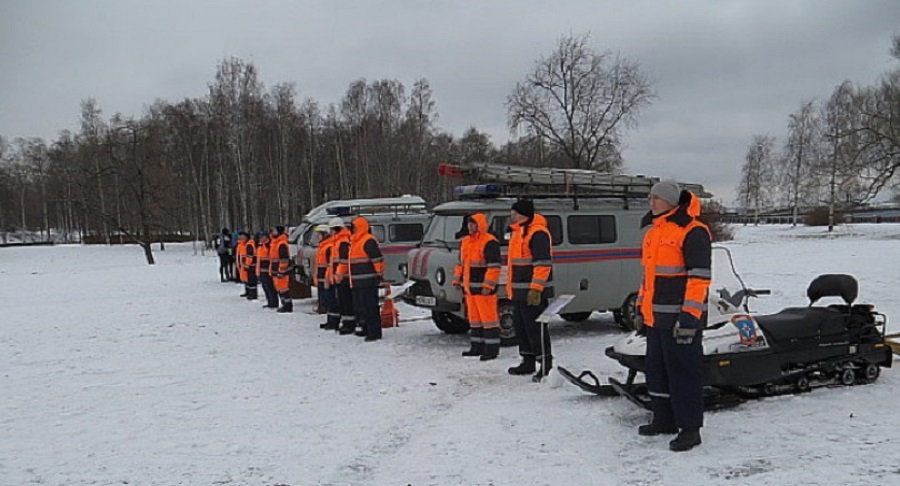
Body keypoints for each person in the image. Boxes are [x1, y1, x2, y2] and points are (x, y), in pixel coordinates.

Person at [636, 181, 711, 452]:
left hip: (681, 322)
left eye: (656, 198)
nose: (651, 202)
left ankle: (690, 429)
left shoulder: (693, 231)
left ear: (671, 201)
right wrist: (640, 309)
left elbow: (699, 280)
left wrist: (689, 317)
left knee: (684, 374)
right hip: (655, 320)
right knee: (656, 372)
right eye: (650, 197)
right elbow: (648, 278)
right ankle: (664, 419)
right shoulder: (653, 232)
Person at [506, 199, 554, 382]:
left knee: (536, 329)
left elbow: (542, 264)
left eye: (515, 212)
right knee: (521, 327)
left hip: (533, 292)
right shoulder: (518, 232)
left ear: (523, 214)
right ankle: (528, 360)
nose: (512, 215)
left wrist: (536, 289)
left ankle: (545, 363)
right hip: (519, 291)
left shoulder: (538, 233)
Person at [453, 213, 502, 361]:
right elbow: (461, 264)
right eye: (469, 224)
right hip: (470, 289)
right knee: (474, 320)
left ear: (480, 225)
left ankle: (491, 350)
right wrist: (457, 280)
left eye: (473, 224)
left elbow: (494, 267)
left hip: (483, 290)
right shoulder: (466, 242)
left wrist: (488, 285)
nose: (470, 226)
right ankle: (476, 347)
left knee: (489, 320)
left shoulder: (489, 242)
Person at [345, 216, 385, 342]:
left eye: (353, 227)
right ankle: (366, 328)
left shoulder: (368, 241)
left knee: (370, 307)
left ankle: (374, 332)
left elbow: (377, 259)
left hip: (367, 281)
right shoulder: (355, 242)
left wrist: (378, 274)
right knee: (361, 307)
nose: (351, 230)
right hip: (357, 281)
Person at [330, 218, 356, 335]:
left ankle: (349, 324)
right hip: (341, 276)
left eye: (331, 229)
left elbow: (344, 261)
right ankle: (346, 322)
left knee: (346, 301)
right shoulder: (338, 241)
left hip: (344, 277)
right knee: (342, 300)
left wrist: (339, 275)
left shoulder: (343, 241)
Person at [313, 225, 339, 330]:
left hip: (327, 279)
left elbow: (330, 265)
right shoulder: (322, 246)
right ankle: (330, 320)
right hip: (321, 279)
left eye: (319, 234)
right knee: (326, 301)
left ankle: (333, 322)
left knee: (331, 301)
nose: (317, 236)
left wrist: (328, 279)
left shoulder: (328, 247)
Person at [269, 226, 293, 313]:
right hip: (276, 270)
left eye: (274, 230)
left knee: (283, 289)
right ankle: (284, 304)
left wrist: (281, 271)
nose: (272, 232)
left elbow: (284, 259)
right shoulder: (274, 242)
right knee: (279, 288)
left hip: (281, 271)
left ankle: (287, 305)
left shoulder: (281, 243)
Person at [256, 231, 279, 308]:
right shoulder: (260, 247)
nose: (261, 239)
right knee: (265, 287)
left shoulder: (270, 246)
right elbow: (259, 260)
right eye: (260, 238)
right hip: (262, 270)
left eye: (263, 237)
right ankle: (269, 301)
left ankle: (274, 303)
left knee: (270, 287)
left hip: (268, 270)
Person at [242, 232, 259, 300]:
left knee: (251, 280)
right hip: (252, 265)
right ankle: (251, 293)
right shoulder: (250, 244)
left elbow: (249, 256)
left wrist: (247, 265)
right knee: (250, 280)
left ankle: (252, 295)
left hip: (251, 266)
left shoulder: (249, 245)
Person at [235, 231, 249, 296]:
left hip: (246, 264)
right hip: (241, 263)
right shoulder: (239, 244)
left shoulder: (247, 244)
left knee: (248, 278)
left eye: (242, 236)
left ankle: (250, 292)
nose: (240, 237)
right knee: (244, 278)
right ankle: (247, 290)